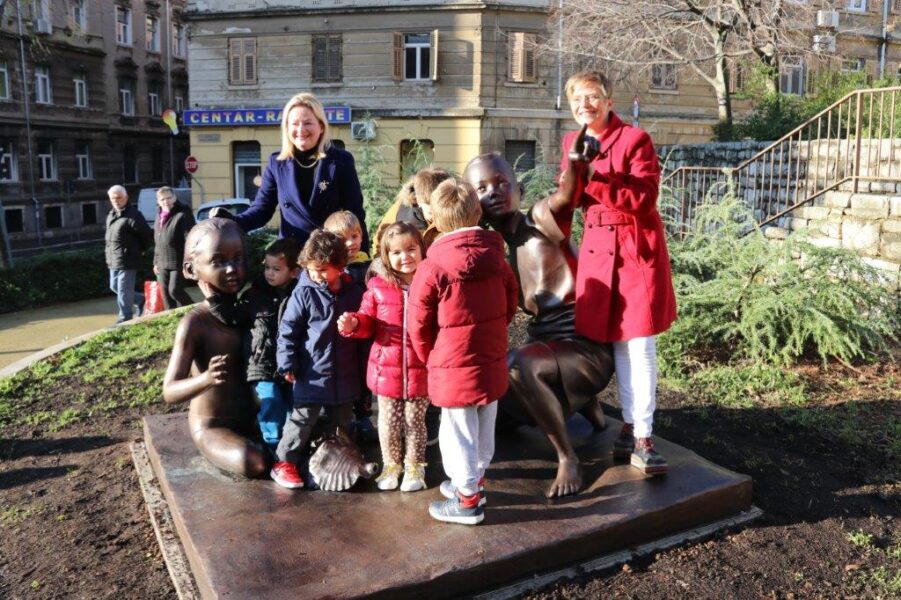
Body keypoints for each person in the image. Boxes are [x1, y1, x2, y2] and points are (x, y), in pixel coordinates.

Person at [463, 153, 614, 497]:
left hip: (585, 348)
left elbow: (567, 198)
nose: (494, 192)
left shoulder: (542, 218)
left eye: (502, 183)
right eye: (482, 188)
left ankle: (568, 458)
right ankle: (586, 406)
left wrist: (577, 165)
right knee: (493, 415)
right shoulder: (492, 249)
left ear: (519, 189)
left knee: (519, 365)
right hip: (549, 347)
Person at [551, 70, 677, 475]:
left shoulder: (635, 140)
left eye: (592, 98)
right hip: (598, 253)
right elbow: (568, 196)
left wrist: (593, 179)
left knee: (639, 344)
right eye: (576, 100)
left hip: (635, 248)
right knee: (615, 344)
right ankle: (628, 424)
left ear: (608, 101)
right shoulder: (572, 142)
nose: (584, 106)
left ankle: (643, 435)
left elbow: (644, 199)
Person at [408, 179, 518, 525]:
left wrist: (431, 357)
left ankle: (467, 499)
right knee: (485, 421)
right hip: (490, 355)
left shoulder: (432, 267)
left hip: (451, 361)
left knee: (457, 430)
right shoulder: (498, 259)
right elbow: (511, 304)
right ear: (477, 212)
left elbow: (418, 323)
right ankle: (475, 480)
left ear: (436, 222)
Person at [162, 218, 269, 478]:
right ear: (191, 269)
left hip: (256, 417)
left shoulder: (251, 310)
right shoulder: (195, 323)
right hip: (213, 426)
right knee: (254, 462)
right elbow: (169, 391)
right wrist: (205, 379)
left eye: (239, 258)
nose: (232, 269)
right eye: (218, 261)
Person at [270, 230, 366, 489]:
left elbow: (363, 334)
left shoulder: (354, 292)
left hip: (345, 376)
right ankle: (285, 461)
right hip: (312, 374)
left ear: (339, 266)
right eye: (312, 270)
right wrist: (287, 363)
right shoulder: (304, 293)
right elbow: (288, 331)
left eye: (323, 270)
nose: (316, 275)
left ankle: (339, 464)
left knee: (342, 423)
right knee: (301, 420)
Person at [337, 222, 430, 492]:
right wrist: (354, 323)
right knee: (388, 423)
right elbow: (367, 322)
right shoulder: (377, 287)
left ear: (422, 250)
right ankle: (391, 465)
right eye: (397, 253)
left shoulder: (429, 283)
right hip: (385, 371)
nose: (405, 257)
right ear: (385, 256)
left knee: (415, 423)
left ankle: (415, 466)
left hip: (420, 368)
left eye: (411, 249)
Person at [231, 93, 367, 250]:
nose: (301, 130)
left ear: (321, 127)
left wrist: (360, 260)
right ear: (287, 127)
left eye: (308, 123)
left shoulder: (341, 161)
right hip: (292, 257)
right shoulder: (277, 164)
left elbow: (355, 214)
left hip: (330, 256)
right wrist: (230, 221)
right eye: (294, 124)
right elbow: (261, 210)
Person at [241, 238, 302, 456]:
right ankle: (272, 445)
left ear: (294, 272)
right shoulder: (256, 294)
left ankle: (290, 448)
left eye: (276, 269)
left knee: (293, 405)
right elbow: (239, 318)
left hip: (291, 365)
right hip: (263, 363)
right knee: (271, 402)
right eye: (267, 267)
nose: (269, 273)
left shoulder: (301, 294)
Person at [324, 210, 377, 443]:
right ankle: (336, 418)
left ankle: (364, 417)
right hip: (338, 333)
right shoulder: (330, 268)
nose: (350, 243)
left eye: (355, 236)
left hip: (364, 332)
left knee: (364, 372)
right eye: (342, 237)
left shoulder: (369, 265)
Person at [372, 167, 450, 253]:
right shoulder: (400, 211)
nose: (435, 208)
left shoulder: (457, 212)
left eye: (440, 203)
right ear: (418, 200)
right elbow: (380, 244)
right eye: (429, 204)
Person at [105, 185, 153, 324]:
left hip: (128, 259)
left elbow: (147, 235)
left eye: (119, 197)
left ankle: (124, 318)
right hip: (113, 259)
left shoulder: (134, 215)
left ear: (126, 198)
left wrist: (142, 250)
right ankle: (141, 299)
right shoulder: (111, 214)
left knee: (124, 290)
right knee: (114, 287)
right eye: (113, 198)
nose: (116, 200)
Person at [153, 186, 196, 310]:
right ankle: (172, 320)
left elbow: (190, 238)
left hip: (178, 260)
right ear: (158, 202)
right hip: (162, 262)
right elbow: (158, 241)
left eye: (169, 198)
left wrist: (190, 260)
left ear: (175, 197)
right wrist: (155, 262)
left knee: (175, 290)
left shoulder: (183, 213)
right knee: (166, 296)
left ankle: (195, 312)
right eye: (162, 199)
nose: (166, 202)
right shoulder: (159, 215)